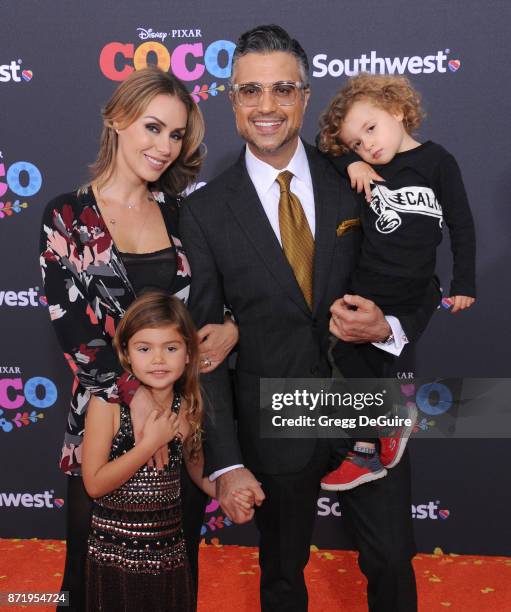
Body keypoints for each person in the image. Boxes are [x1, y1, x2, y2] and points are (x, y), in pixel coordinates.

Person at [180, 24, 439, 612]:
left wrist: (389, 327)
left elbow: (423, 280)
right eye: (250, 91)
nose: (266, 106)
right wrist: (225, 457)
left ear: (304, 95)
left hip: (368, 404)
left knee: (394, 563)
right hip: (271, 413)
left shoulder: (360, 179)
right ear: (232, 100)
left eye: (282, 89)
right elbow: (205, 348)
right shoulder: (204, 212)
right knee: (280, 575)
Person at [40, 66, 238, 611]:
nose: (165, 147)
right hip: (103, 422)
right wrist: (139, 403)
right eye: (153, 128)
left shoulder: (183, 212)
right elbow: (78, 336)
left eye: (176, 135)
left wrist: (232, 325)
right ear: (116, 119)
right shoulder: (67, 216)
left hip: (182, 423)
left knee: (176, 578)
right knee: (85, 582)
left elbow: (219, 299)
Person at [317, 73, 476, 491]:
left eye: (370, 129)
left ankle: (384, 430)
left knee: (383, 360)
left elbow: (461, 222)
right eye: (356, 142)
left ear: (398, 111)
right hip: (367, 285)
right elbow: (321, 152)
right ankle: (367, 449)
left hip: (412, 288)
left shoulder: (437, 161)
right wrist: (349, 161)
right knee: (350, 361)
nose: (367, 145)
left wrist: (464, 282)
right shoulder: (364, 168)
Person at [82, 291, 252, 612]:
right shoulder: (107, 405)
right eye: (144, 348)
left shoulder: (187, 405)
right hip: (116, 553)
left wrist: (224, 492)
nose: (158, 359)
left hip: (168, 551)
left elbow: (194, 465)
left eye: (171, 348)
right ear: (126, 354)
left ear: (189, 353)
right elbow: (94, 484)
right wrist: (148, 444)